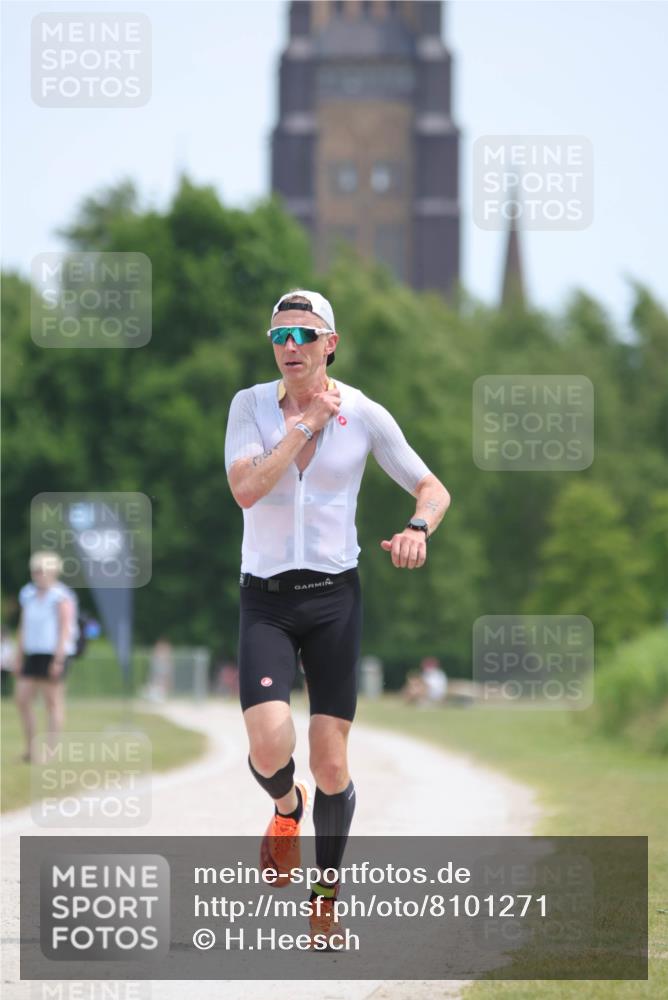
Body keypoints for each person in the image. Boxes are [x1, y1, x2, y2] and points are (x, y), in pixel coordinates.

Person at [224, 289, 450, 946]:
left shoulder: (366, 414)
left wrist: (417, 527)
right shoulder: (251, 408)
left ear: (331, 344)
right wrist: (305, 424)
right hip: (265, 597)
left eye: (303, 334)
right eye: (279, 335)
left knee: (330, 762)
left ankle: (325, 898)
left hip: (333, 599)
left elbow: (432, 488)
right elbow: (245, 489)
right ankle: (285, 809)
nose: (289, 346)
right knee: (269, 744)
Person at [14, 551, 78, 762]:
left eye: (42, 570)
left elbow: (65, 629)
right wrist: (18, 654)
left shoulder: (61, 596)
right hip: (34, 652)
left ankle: (51, 751)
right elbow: (24, 626)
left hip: (53, 653)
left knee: (52, 703)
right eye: (35, 570)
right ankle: (31, 748)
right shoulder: (28, 593)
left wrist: (58, 659)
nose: (38, 574)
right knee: (22, 699)